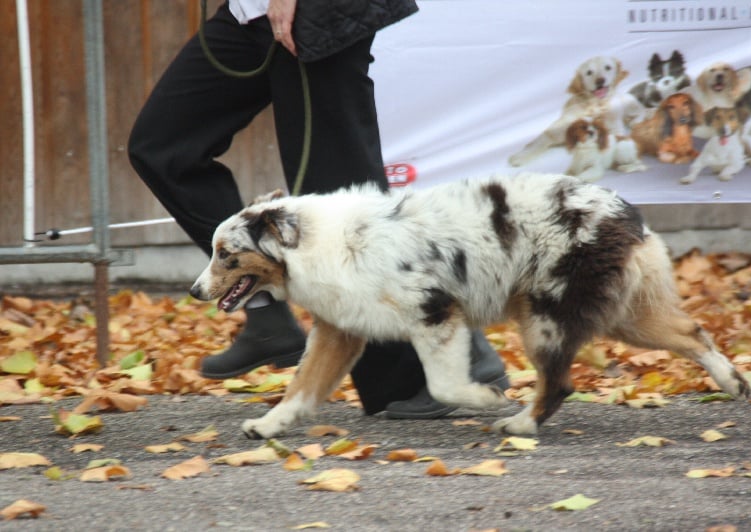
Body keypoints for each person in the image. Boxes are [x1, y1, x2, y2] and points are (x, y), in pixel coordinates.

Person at [128, 0, 508, 419]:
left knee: (334, 193)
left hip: (313, 11)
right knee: (163, 147)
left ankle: (453, 356)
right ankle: (265, 315)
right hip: (247, 13)